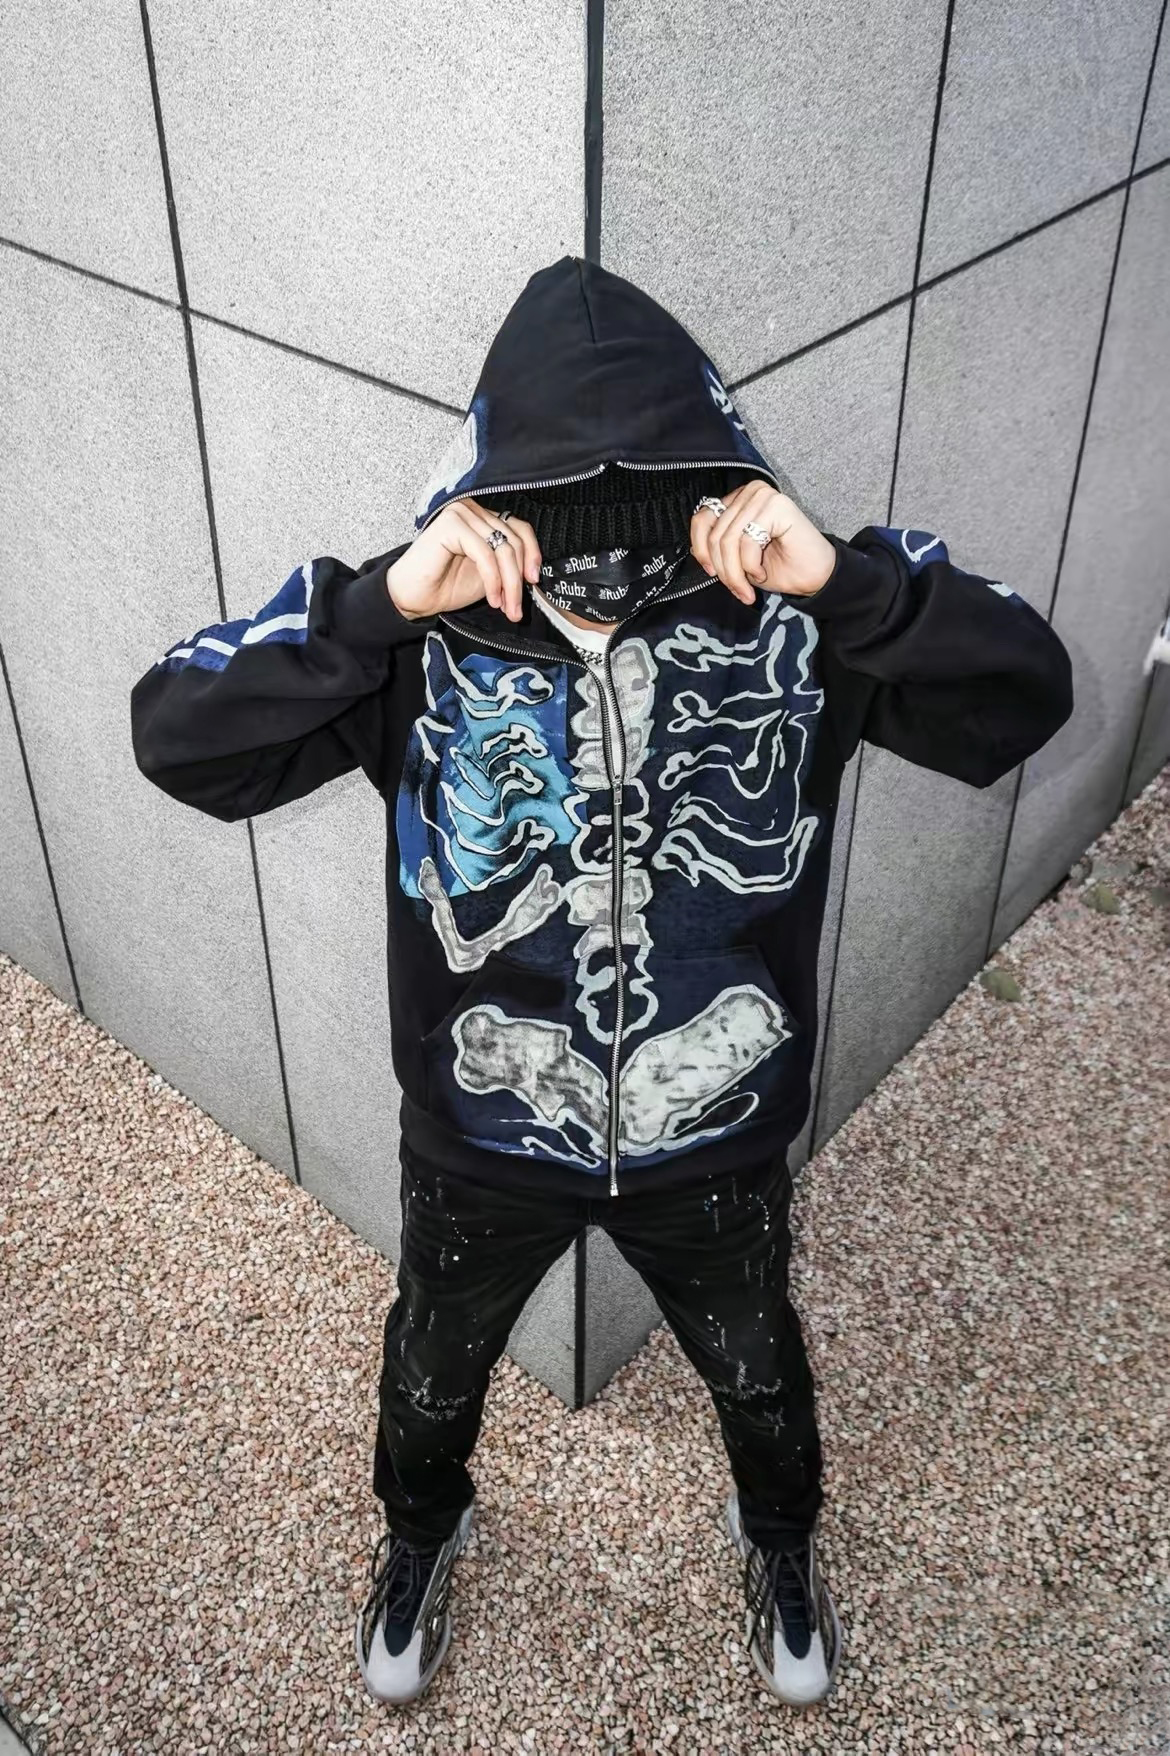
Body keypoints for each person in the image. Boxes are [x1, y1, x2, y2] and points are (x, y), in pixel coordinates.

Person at [130, 254, 1074, 1710]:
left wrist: (849, 583)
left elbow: (1024, 694)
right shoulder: (415, 640)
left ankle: (779, 1541)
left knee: (758, 1373)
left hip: (716, 1133)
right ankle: (418, 1532)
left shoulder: (794, 626)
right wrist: (374, 609)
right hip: (484, 1134)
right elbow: (180, 738)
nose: (606, 541)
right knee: (430, 1375)